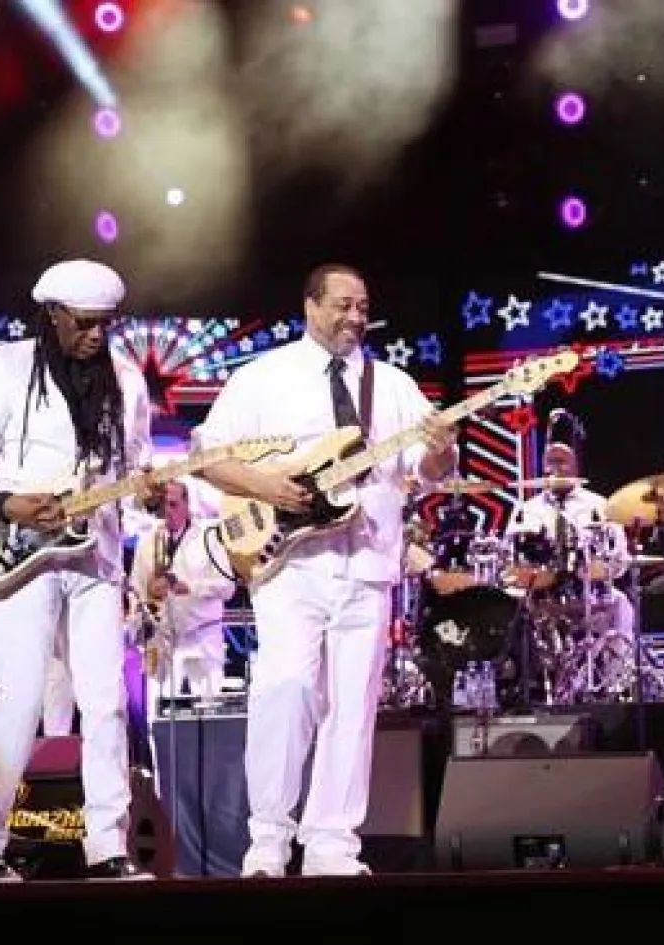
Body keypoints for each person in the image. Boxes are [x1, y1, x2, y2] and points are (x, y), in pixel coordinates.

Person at [193, 263, 457, 877]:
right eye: (343, 305)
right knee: (286, 690)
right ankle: (268, 840)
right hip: (291, 564)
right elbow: (207, 458)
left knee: (351, 708)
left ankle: (332, 844)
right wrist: (267, 487)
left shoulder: (392, 385)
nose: (355, 317)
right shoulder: (264, 377)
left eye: (363, 306)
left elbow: (428, 472)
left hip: (367, 562)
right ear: (310, 307)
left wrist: (441, 449)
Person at [0, 258, 159, 882]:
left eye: (106, 324)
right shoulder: (9, 367)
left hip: (96, 555)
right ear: (54, 315)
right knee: (20, 698)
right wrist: (7, 502)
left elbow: (134, 467)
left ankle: (108, 845)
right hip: (22, 553)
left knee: (106, 701)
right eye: (85, 323)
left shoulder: (127, 379)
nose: (97, 335)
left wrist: (145, 495)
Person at [505, 441, 635, 643]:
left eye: (561, 461)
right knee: (508, 605)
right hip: (540, 591)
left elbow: (620, 557)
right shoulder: (527, 509)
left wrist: (601, 569)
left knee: (621, 604)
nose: (554, 468)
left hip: (589, 590)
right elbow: (510, 557)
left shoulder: (600, 505)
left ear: (576, 468)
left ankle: (618, 663)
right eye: (550, 462)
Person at [130, 478, 236, 719]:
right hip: (162, 640)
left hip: (202, 636)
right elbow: (136, 589)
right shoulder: (147, 541)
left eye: (173, 504)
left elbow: (228, 587)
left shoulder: (209, 537)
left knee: (209, 715)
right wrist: (140, 621)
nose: (168, 512)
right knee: (156, 719)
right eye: (163, 505)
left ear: (187, 504)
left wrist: (190, 587)